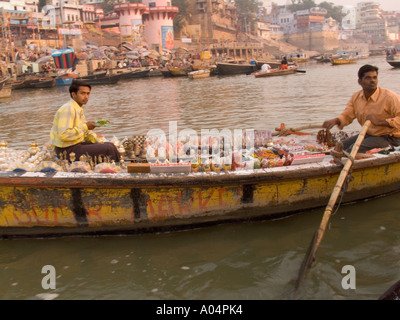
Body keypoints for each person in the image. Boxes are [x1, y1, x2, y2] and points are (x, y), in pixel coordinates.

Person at [322, 64, 400, 154]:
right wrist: (336, 120)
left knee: (351, 151)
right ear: (359, 81)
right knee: (340, 147)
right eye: (368, 78)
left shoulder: (390, 97)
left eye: (375, 77)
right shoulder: (356, 97)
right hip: (369, 135)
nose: (372, 81)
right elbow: (347, 114)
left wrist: (379, 122)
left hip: (390, 138)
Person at [50, 80, 121, 163]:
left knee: (108, 145)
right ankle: (117, 170)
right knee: (109, 148)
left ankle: (112, 167)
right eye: (83, 93)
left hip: (75, 146)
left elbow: (85, 133)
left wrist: (99, 140)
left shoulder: (78, 109)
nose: (86, 96)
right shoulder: (68, 109)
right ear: (73, 94)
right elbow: (64, 135)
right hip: (65, 150)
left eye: (88, 93)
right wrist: (86, 126)